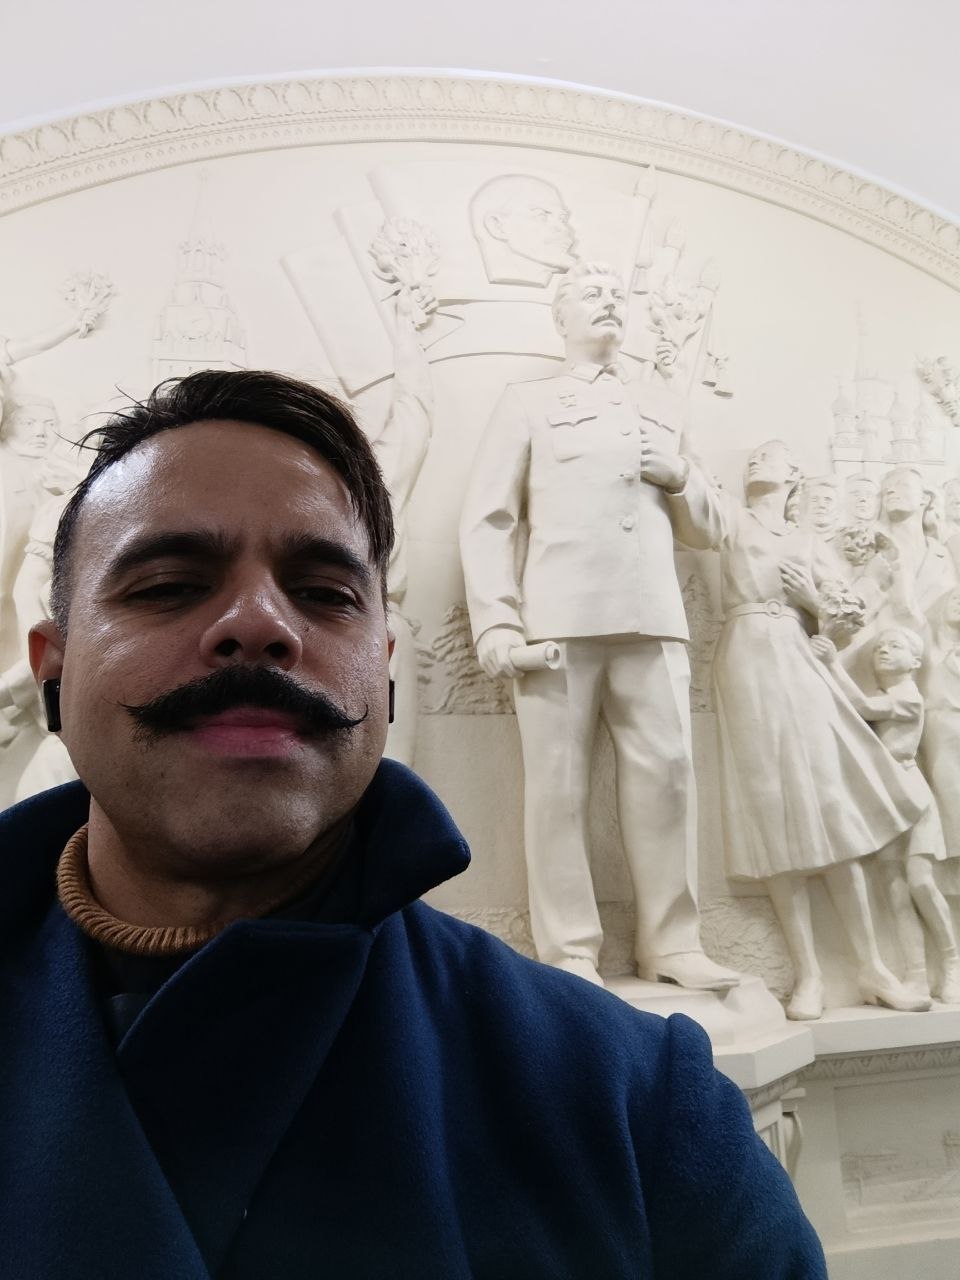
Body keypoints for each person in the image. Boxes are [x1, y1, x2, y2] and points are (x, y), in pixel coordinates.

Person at [0, 369, 826, 1279]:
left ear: (385, 669)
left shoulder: (642, 1107)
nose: (259, 624)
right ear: (52, 670)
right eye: (167, 584)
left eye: (325, 593)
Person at [459, 261, 738, 992]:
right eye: (591, 294)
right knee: (556, 788)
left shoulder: (662, 408)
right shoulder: (528, 402)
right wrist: (497, 622)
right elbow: (489, 518)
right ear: (561, 318)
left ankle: (672, 943)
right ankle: (570, 948)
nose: (608, 301)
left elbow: (713, 529)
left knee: (669, 779)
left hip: (652, 617)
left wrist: (680, 475)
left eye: (617, 294)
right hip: (558, 621)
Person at [712, 440, 930, 1021]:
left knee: (831, 806)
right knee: (771, 812)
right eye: (753, 456)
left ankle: (872, 966)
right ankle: (808, 973)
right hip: (745, 658)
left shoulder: (806, 541)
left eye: (771, 456)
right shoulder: (731, 518)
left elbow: (850, 614)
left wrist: (813, 600)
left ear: (793, 474)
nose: (756, 461)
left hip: (798, 654)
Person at [812, 627, 960, 1004]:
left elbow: (862, 707)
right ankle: (916, 974)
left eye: (895, 646)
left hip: (914, 797)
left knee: (921, 881)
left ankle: (952, 960)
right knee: (895, 887)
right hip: (887, 798)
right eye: (879, 646)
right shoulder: (888, 694)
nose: (884, 651)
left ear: (915, 661)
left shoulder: (908, 696)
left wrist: (832, 663)